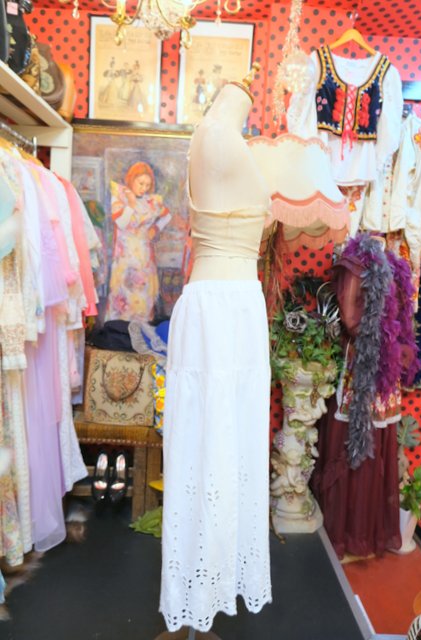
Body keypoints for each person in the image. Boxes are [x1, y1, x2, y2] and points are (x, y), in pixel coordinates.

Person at [160, 71, 273, 634]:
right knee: (207, 451)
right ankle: (198, 591)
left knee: (224, 449)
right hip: (225, 308)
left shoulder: (211, 136)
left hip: (225, 306)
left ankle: (210, 585)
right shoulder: (222, 137)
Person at [105, 161, 172, 322]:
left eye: (147, 185)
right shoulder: (120, 197)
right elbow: (122, 223)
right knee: (124, 293)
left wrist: (155, 228)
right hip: (125, 256)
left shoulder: (151, 201)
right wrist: (131, 204)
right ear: (131, 179)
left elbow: (167, 216)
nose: (144, 188)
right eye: (141, 183)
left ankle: (141, 327)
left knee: (143, 293)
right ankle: (120, 329)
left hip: (143, 255)